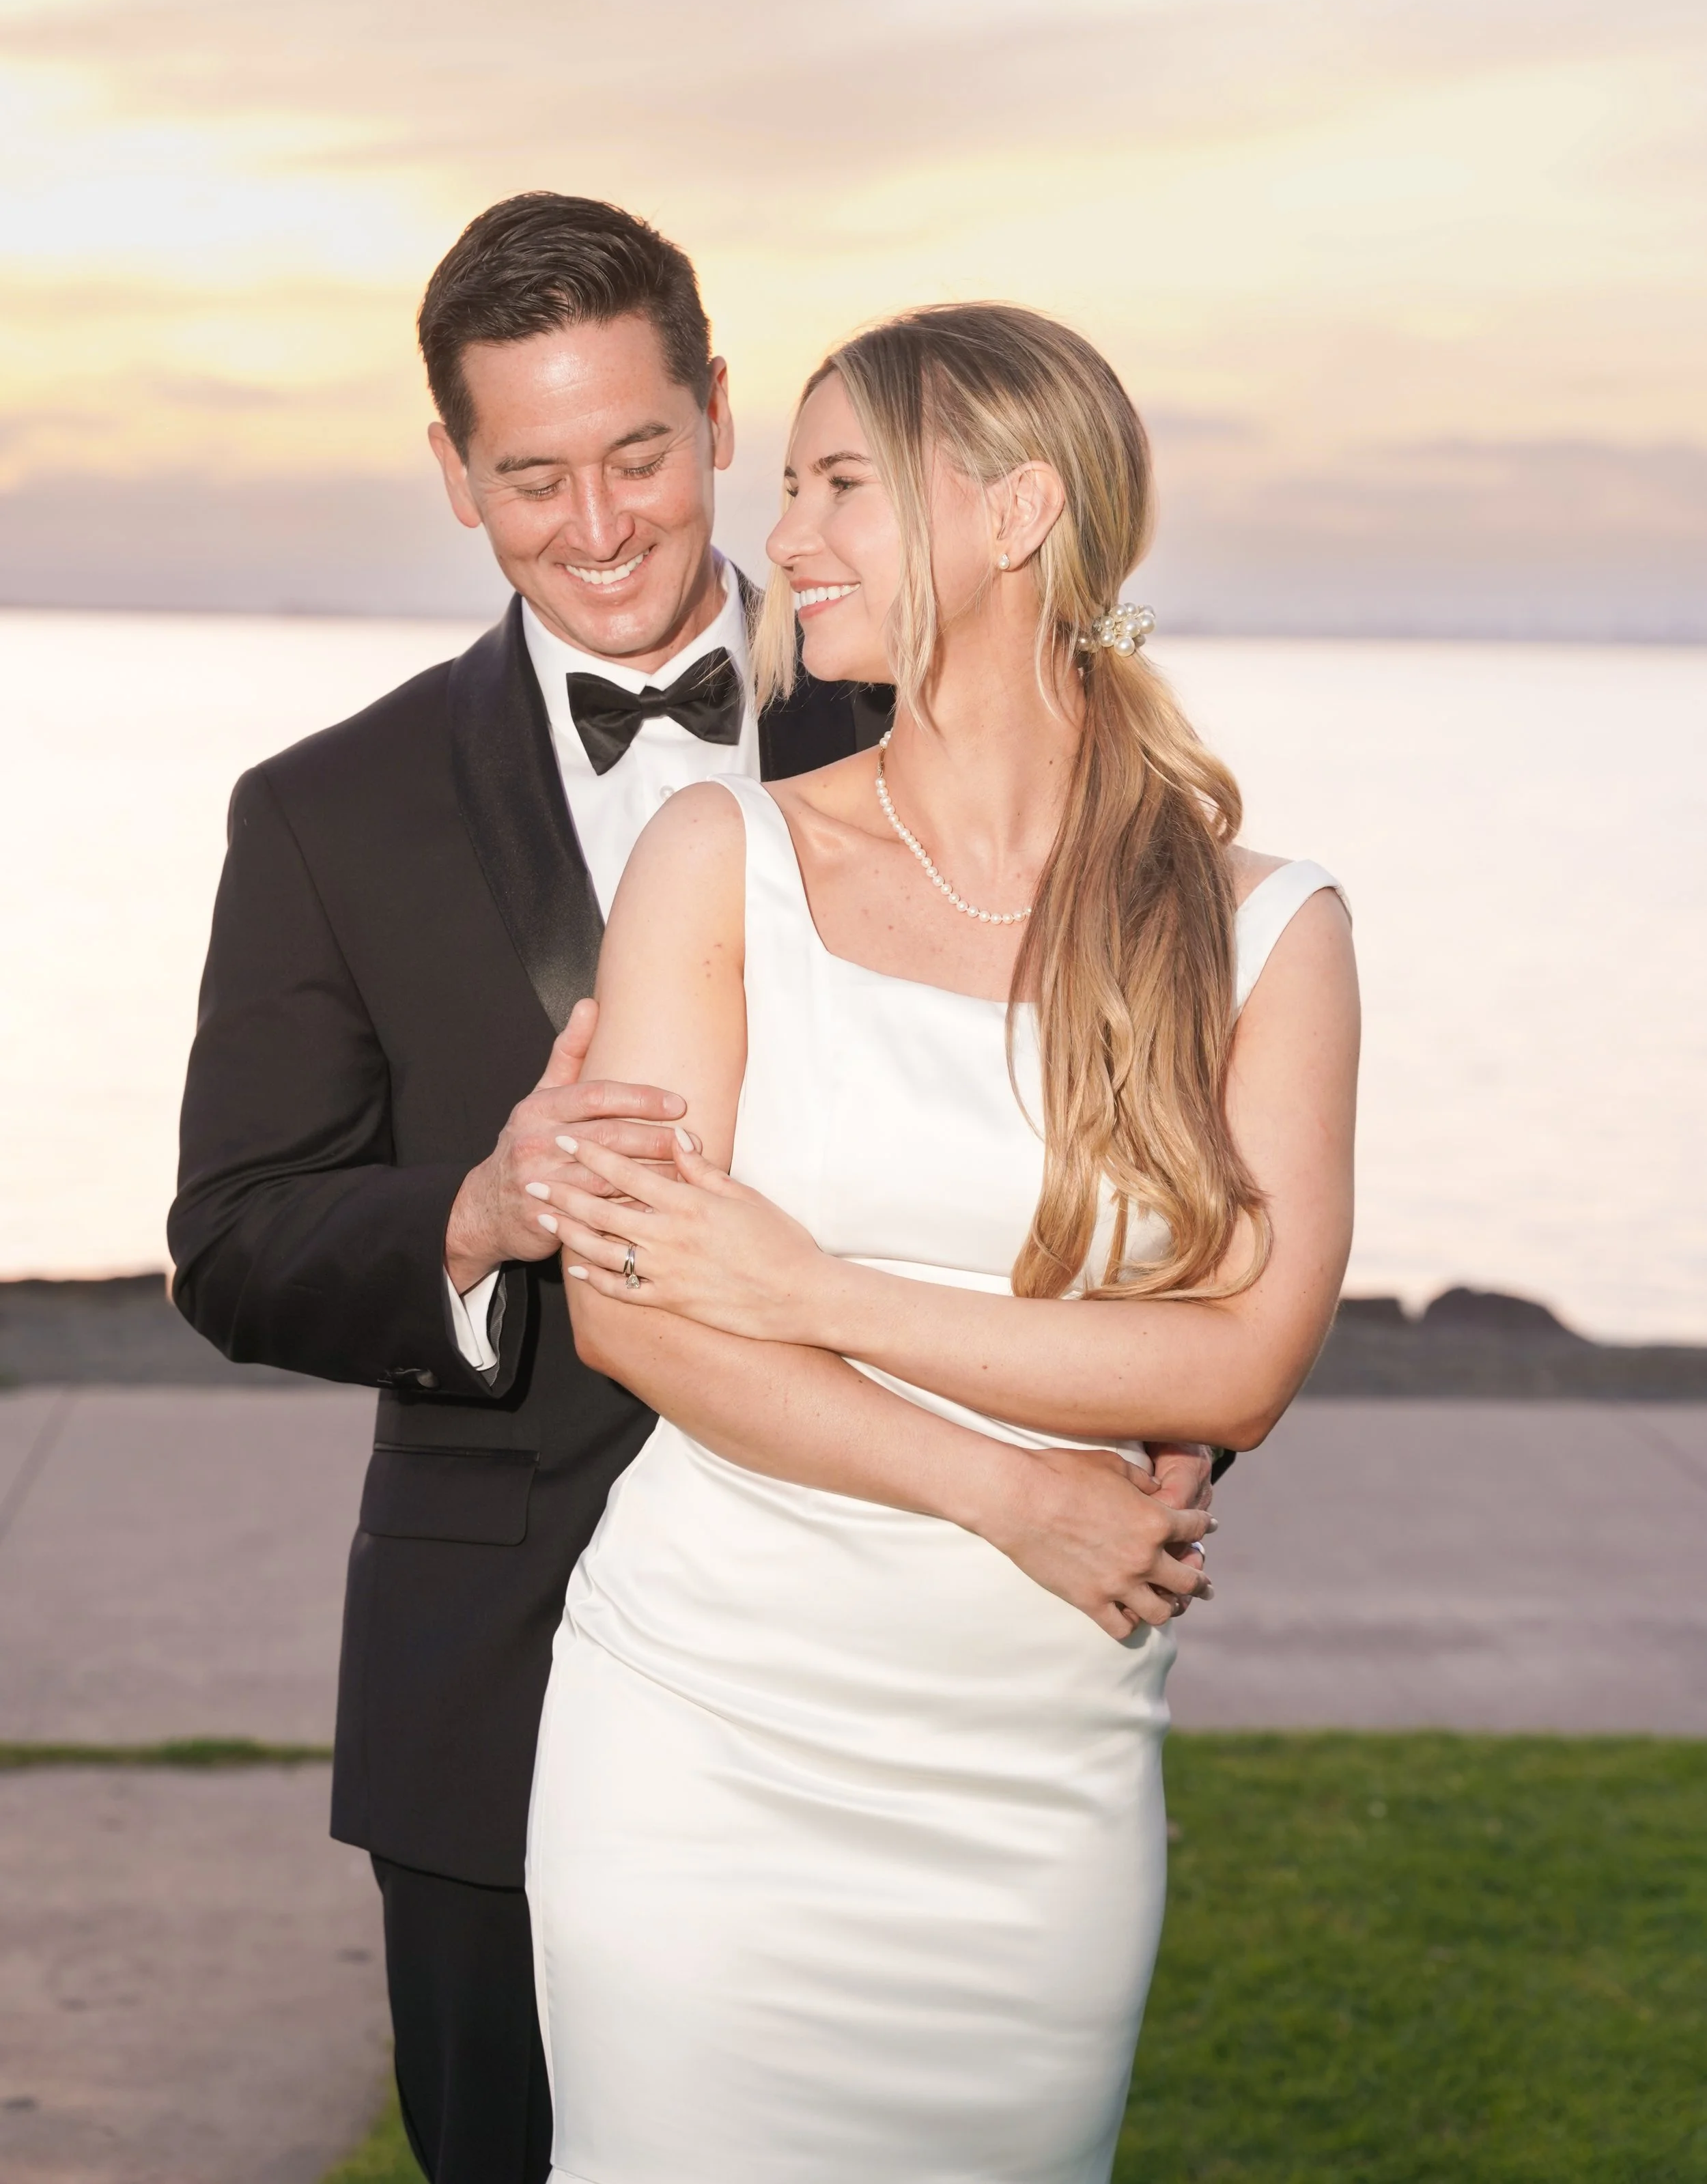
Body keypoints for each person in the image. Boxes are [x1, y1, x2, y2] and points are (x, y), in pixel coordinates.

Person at [168, 209, 1223, 2184]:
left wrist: (1150, 1426)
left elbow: (1117, 1141)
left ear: (722, 412)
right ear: (452, 473)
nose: (597, 526)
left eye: (639, 454)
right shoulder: (327, 810)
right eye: (529, 477)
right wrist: (472, 1213)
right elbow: (231, 1235)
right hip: (496, 1676)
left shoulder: (939, 713)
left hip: (909, 1644)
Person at [524, 302, 1359, 2183]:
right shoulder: (714, 859)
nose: (786, 536)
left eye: (839, 485)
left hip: (1034, 1782)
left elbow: (1240, 1358)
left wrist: (809, 1288)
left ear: (1010, 515)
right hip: (704, 1740)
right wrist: (1014, 1489)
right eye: (790, 487)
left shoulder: (1265, 931)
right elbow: (635, 1312)